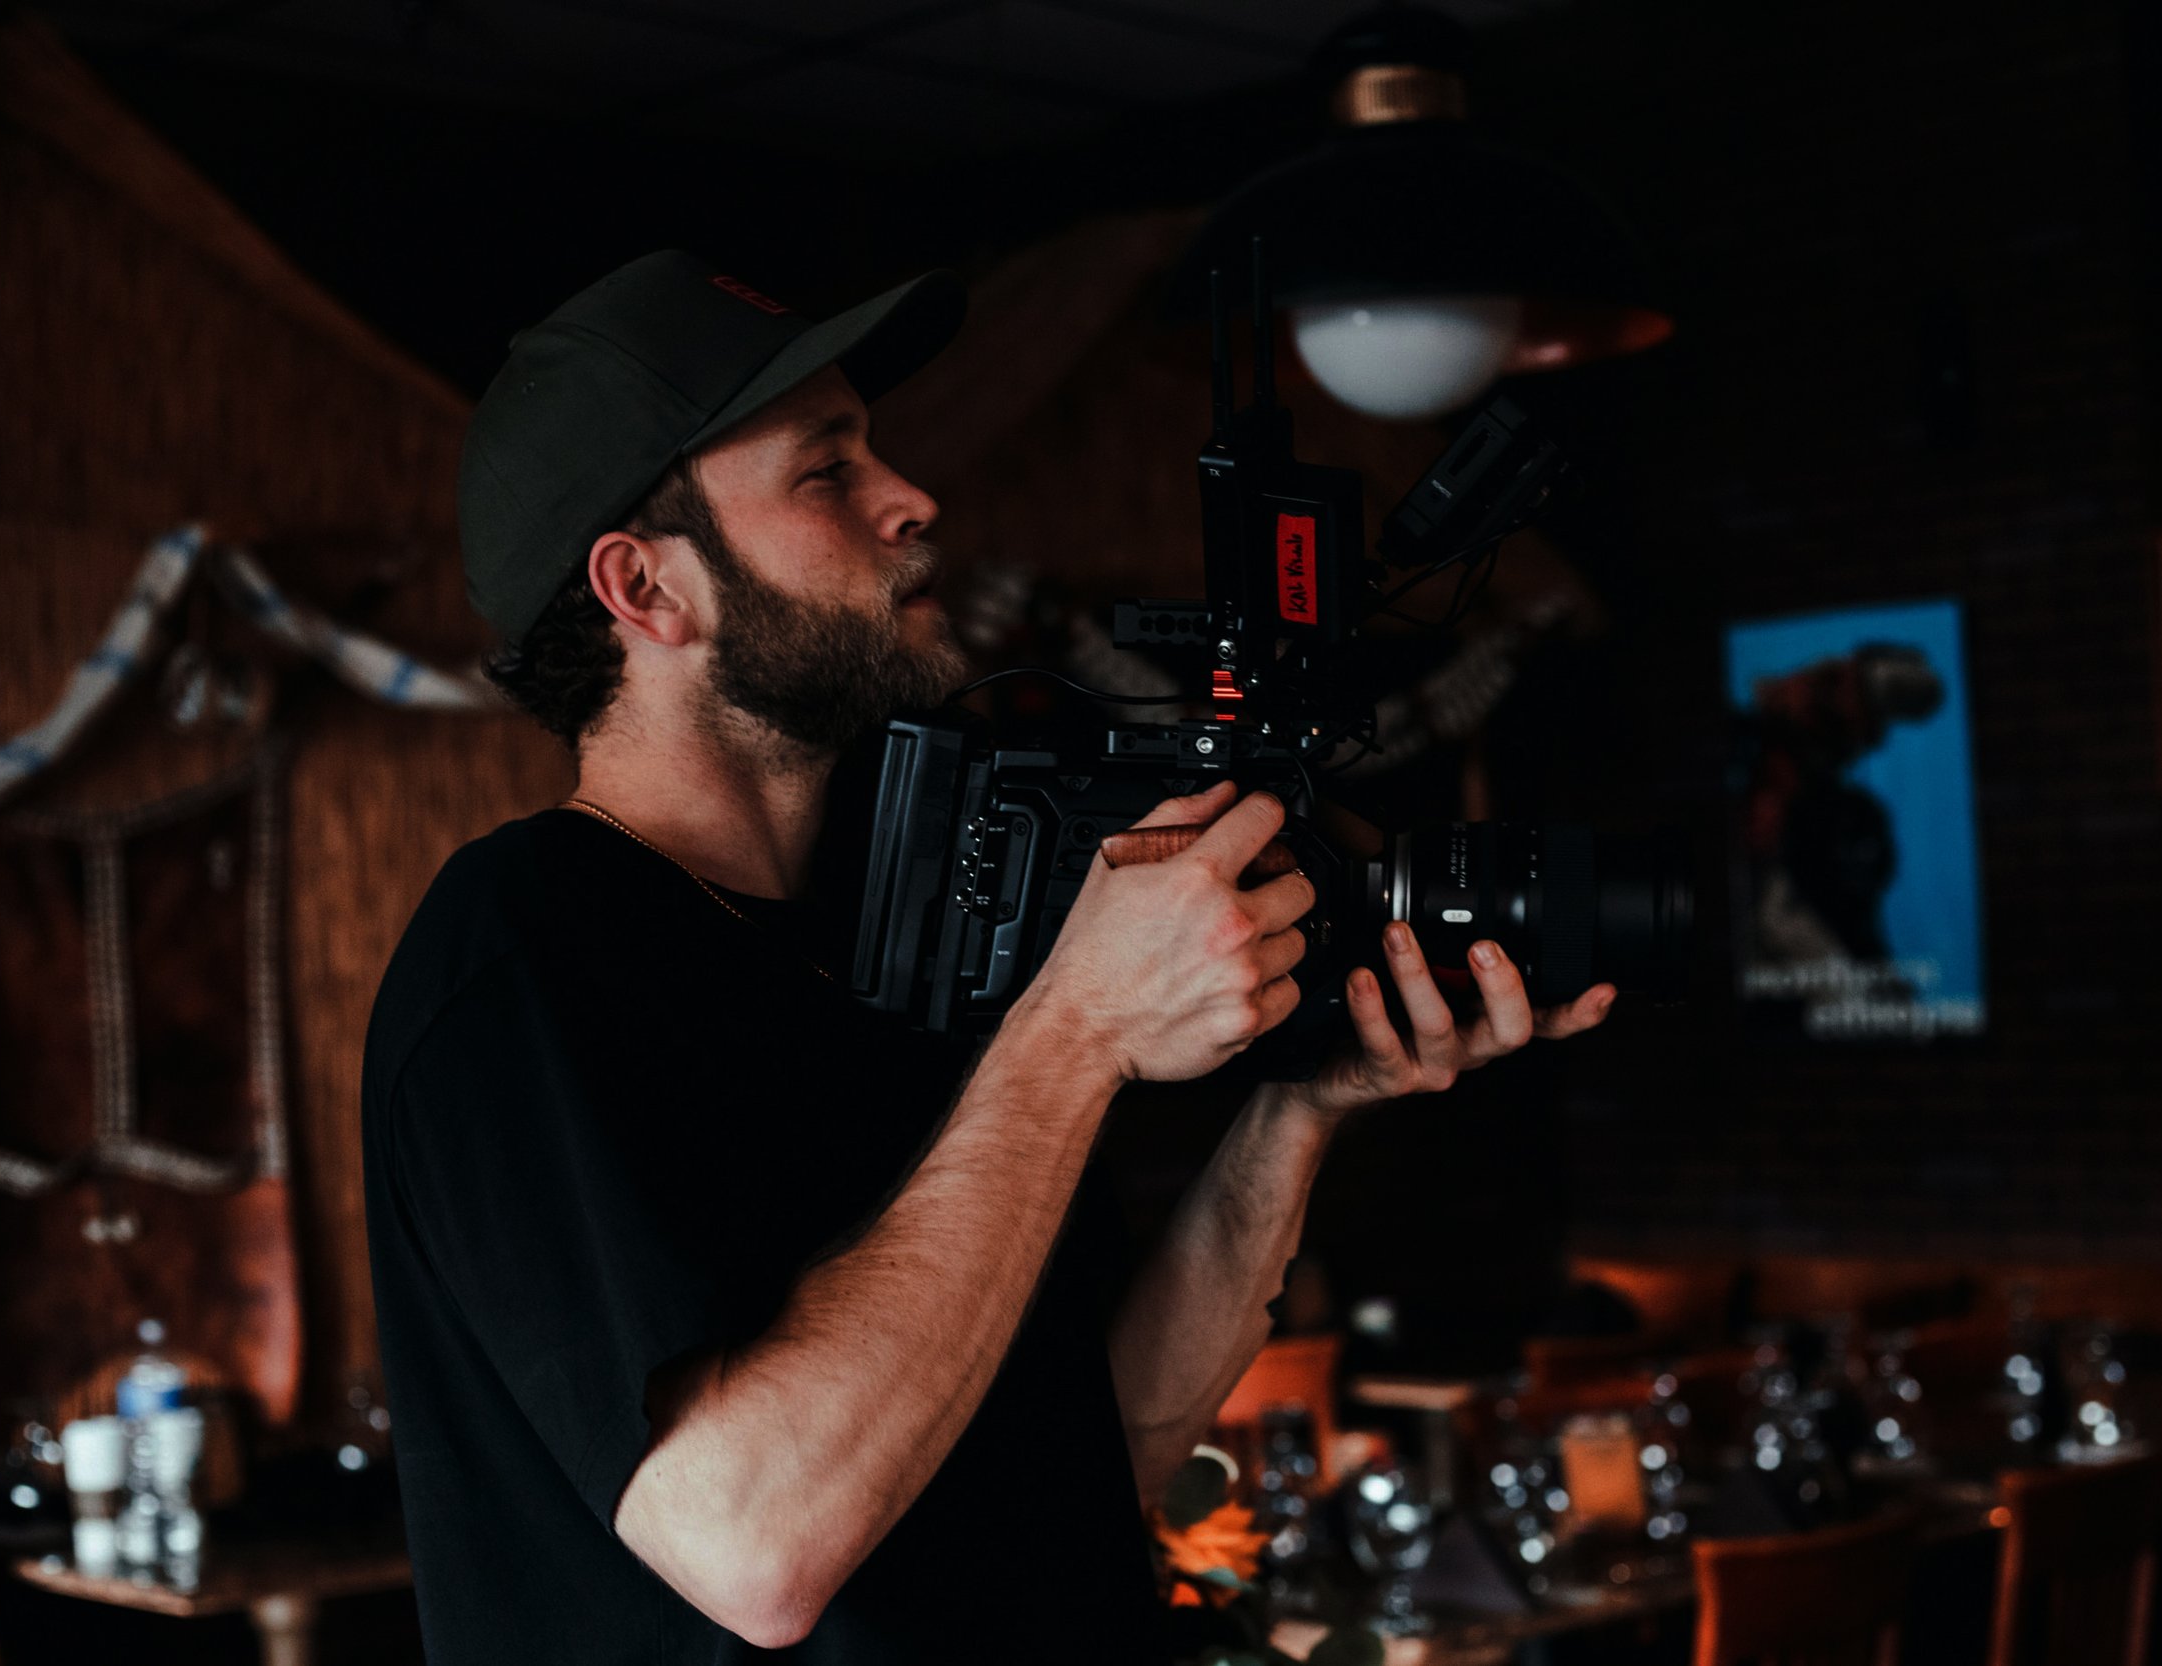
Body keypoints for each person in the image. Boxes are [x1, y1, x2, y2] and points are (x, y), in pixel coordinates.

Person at [361, 250, 1616, 1664]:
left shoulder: (906, 936)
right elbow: (752, 1547)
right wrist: (1074, 1030)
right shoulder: (523, 956)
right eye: (828, 473)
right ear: (647, 588)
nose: (913, 500)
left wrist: (1303, 1106)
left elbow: (1102, 1452)